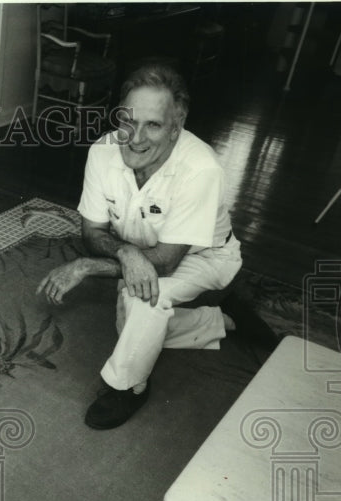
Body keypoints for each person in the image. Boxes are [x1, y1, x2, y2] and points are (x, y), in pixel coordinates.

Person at [37, 63, 245, 430]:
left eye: (153, 124)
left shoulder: (201, 169)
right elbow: (92, 231)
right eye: (128, 121)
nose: (135, 137)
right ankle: (215, 322)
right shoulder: (103, 152)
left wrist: (85, 267)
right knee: (131, 322)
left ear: (176, 128)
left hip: (204, 256)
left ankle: (129, 386)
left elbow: (164, 262)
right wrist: (126, 252)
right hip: (139, 249)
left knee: (143, 297)